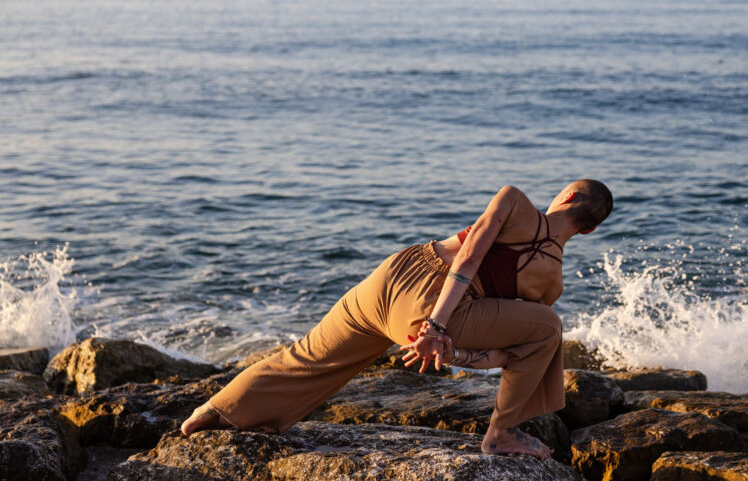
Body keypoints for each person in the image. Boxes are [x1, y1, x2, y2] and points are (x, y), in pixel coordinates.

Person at [181, 179, 613, 460]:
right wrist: (446, 340)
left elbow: (471, 250)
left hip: (396, 273)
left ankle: (216, 409)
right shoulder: (549, 282)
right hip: (427, 316)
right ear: (589, 230)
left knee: (309, 355)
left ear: (567, 196)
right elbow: (508, 351)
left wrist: (437, 327)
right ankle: (501, 433)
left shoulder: (514, 200)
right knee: (546, 330)